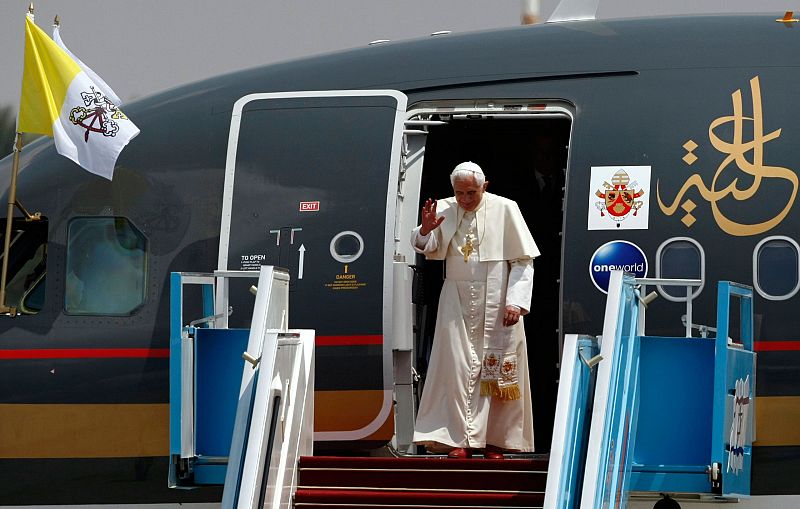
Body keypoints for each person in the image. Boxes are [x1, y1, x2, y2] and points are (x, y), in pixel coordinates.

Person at [412, 161, 540, 459]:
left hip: (497, 298)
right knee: (455, 369)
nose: (465, 200)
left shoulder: (506, 208)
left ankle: (495, 440)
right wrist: (425, 230)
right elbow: (427, 245)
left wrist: (516, 302)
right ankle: (459, 439)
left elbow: (523, 260)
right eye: (460, 193)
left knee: (495, 369)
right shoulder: (444, 208)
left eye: (472, 192)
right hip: (456, 299)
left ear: (485, 186)